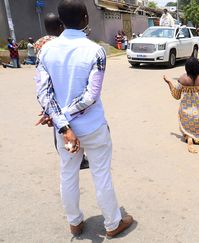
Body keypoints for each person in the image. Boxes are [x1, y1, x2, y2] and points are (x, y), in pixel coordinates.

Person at [34, 0, 133, 237]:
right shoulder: (95, 51)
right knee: (101, 174)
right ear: (86, 18)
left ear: (60, 21)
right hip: (93, 127)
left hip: (64, 131)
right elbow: (91, 96)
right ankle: (112, 224)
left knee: (67, 173)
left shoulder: (45, 50)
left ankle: (75, 223)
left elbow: (43, 94)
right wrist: (65, 118)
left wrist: (61, 123)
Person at [34, 12, 88, 170]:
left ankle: (68, 155)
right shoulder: (60, 44)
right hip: (66, 92)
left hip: (48, 94)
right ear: (60, 26)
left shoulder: (40, 43)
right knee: (75, 124)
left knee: (59, 127)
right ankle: (78, 157)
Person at [163, 57, 199, 154]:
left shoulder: (182, 80)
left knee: (188, 130)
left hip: (187, 118)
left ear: (187, 68)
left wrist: (169, 82)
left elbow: (176, 95)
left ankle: (189, 139)